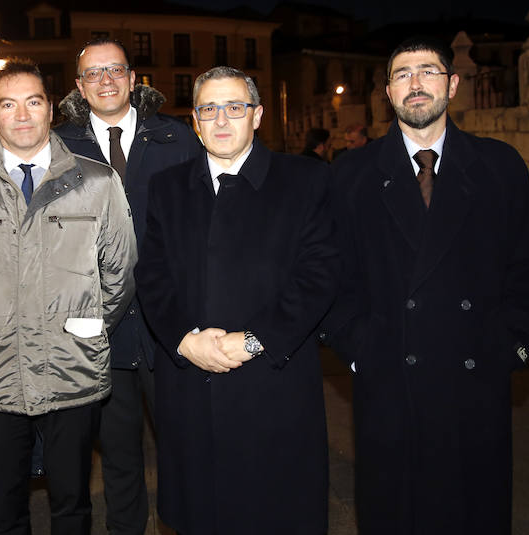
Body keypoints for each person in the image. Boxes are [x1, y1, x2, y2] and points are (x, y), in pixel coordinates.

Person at [319, 36, 529, 534]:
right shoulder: (352, 173)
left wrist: (511, 346)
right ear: (387, 92)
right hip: (389, 380)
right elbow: (332, 275)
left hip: (476, 378)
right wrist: (359, 350)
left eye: (428, 71)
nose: (416, 83)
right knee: (395, 514)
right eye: (403, 74)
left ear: (452, 84)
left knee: (474, 512)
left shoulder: (499, 164)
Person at [135, 66, 338, 534]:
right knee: (200, 514)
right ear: (194, 121)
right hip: (191, 386)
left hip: (273, 380)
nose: (221, 119)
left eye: (234, 107)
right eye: (208, 109)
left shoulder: (305, 180)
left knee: (275, 513)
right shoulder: (168, 187)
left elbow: (319, 274)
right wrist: (184, 341)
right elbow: (153, 275)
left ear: (258, 115)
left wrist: (254, 340)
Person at [0, 58, 137, 534]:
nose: (22, 115)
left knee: (72, 504)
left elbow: (120, 272)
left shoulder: (97, 181)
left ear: (51, 108)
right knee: (5, 509)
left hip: (72, 369)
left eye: (33, 101)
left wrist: (84, 326)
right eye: (9, 104)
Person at [53, 37, 202, 534]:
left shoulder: (176, 139)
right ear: (79, 86)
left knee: (184, 445)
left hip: (170, 322)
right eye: (93, 74)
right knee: (117, 453)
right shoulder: (61, 147)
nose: (105, 81)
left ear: (133, 79)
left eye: (115, 70)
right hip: (100, 325)